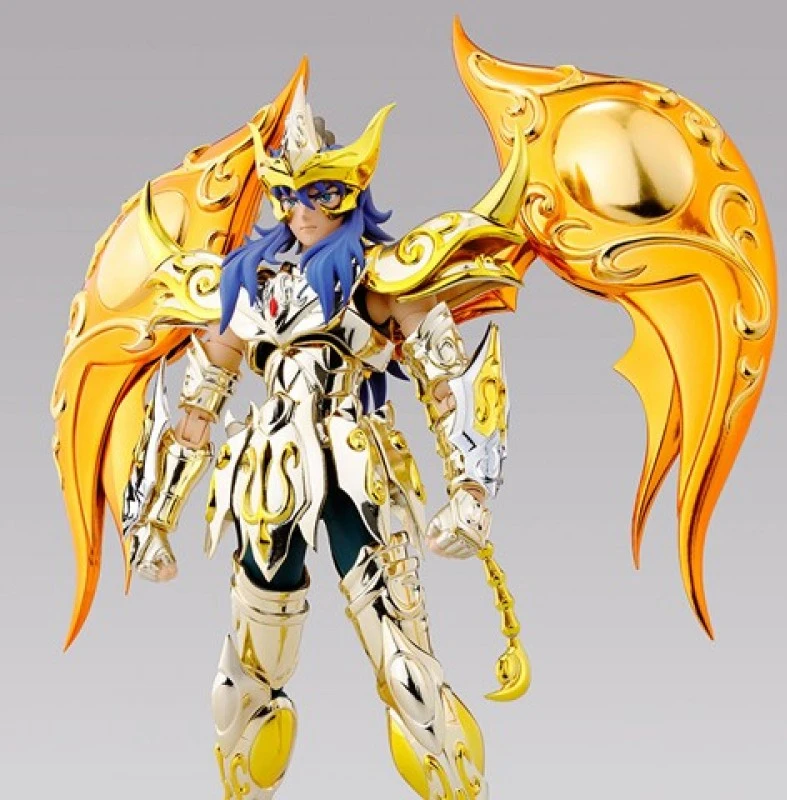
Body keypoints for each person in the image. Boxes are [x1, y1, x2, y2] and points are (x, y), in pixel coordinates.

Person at [120, 86, 523, 799]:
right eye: (288, 194)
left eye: (320, 194)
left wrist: (470, 488)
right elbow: (196, 405)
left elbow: (445, 378)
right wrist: (152, 515)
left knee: (405, 666)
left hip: (357, 468)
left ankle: (460, 788)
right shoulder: (252, 283)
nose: (301, 211)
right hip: (268, 475)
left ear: (351, 193)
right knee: (244, 679)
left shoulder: (381, 275)